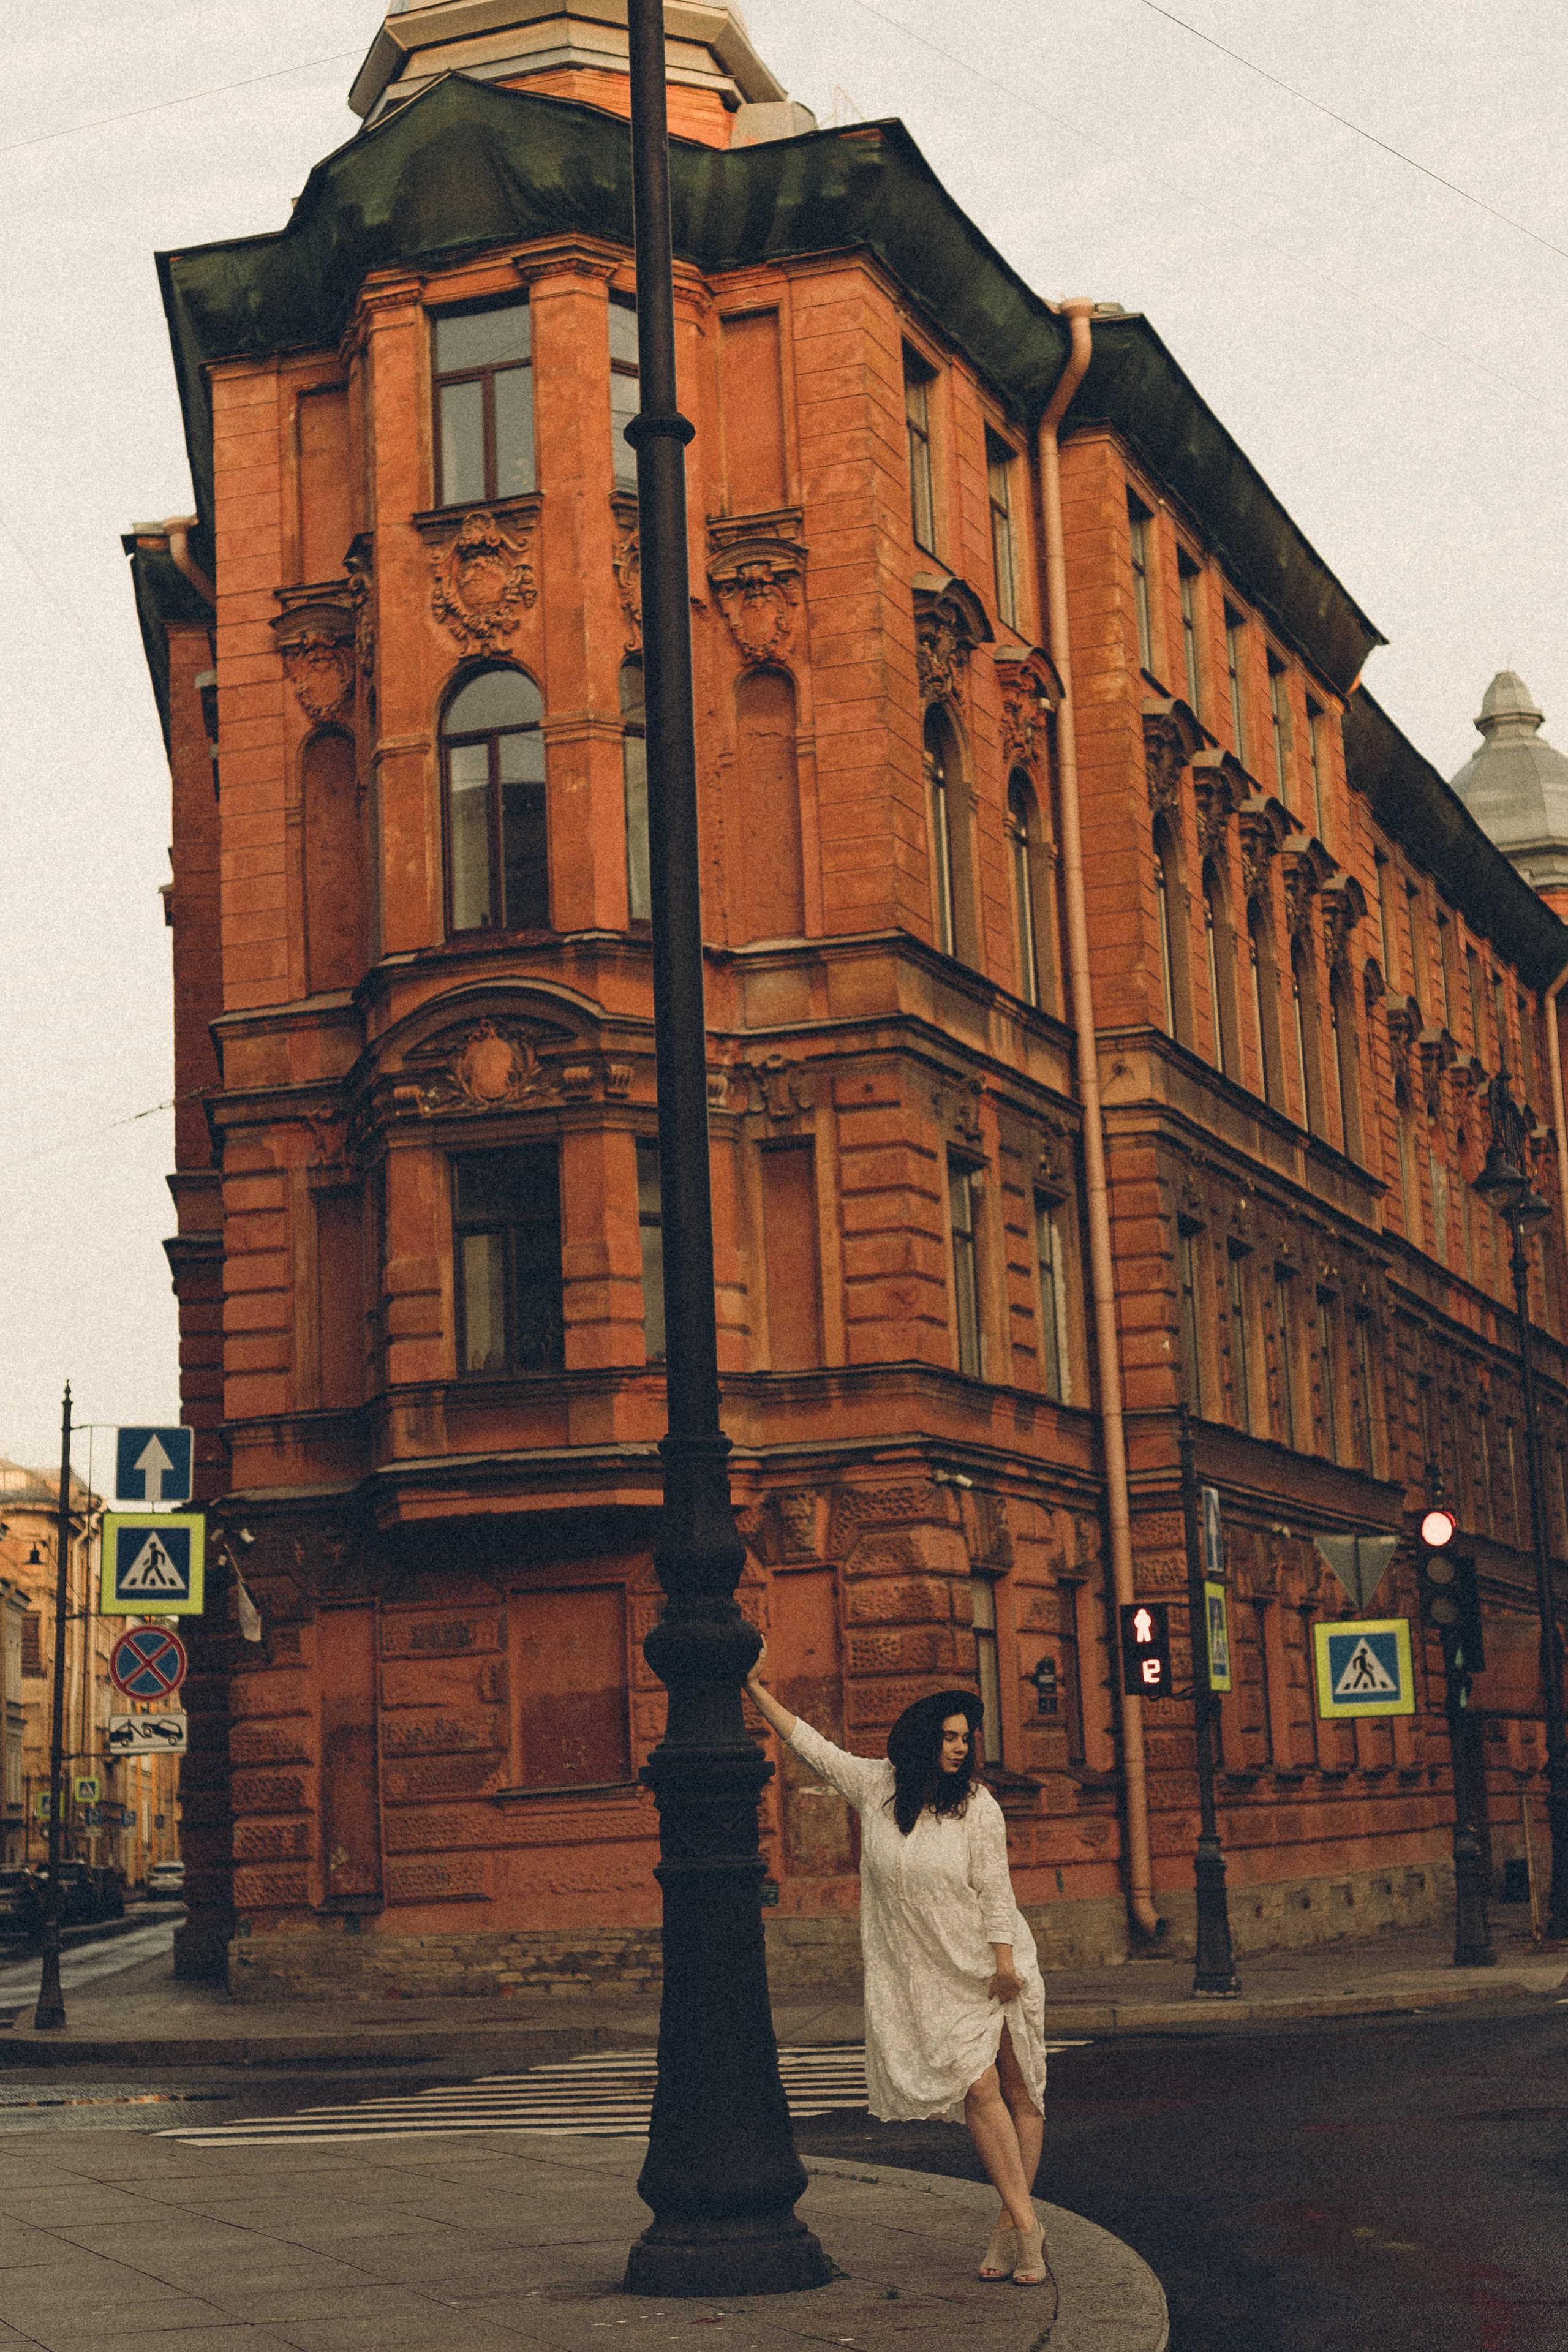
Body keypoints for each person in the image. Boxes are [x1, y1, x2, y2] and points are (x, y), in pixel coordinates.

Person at [744, 1646, 1049, 2286]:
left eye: (966, 1738)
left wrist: (1003, 1965)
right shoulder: (876, 1787)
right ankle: (1027, 2224)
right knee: (977, 2087)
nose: (960, 1748)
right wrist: (753, 1687)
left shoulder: (979, 1806)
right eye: (948, 1736)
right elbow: (809, 1745)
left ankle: (1012, 2227)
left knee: (1018, 2093)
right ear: (922, 1739)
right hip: (929, 1974)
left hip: (992, 1967)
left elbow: (997, 1890)